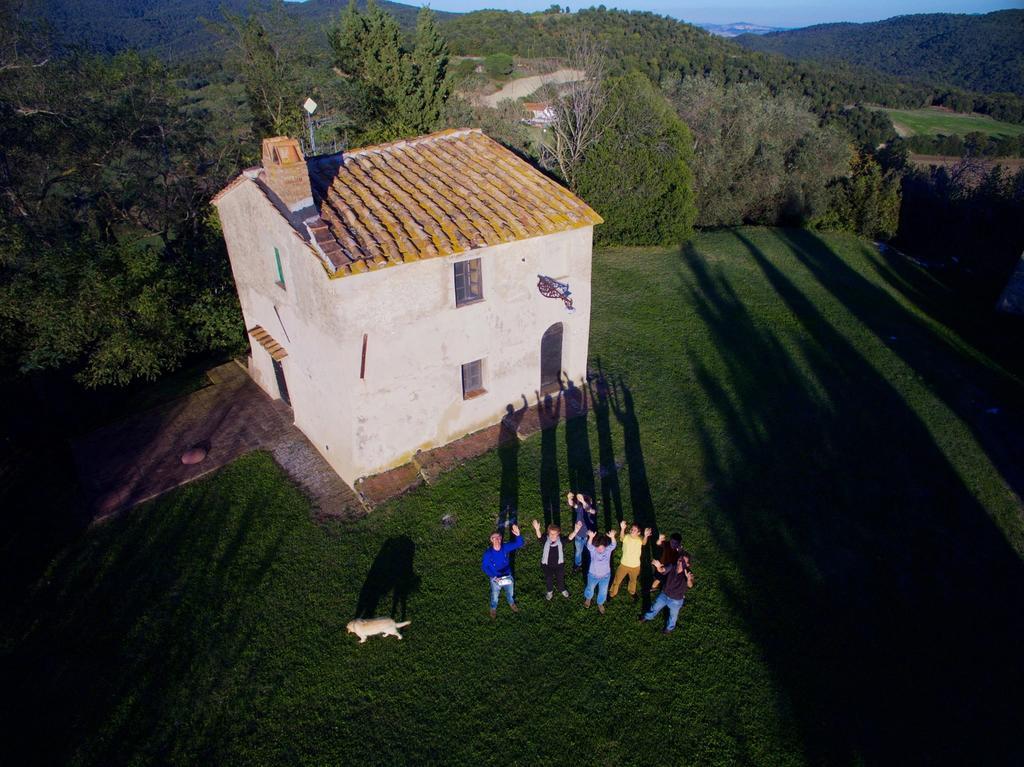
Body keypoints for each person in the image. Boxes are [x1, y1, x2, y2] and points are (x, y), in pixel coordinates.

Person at [639, 556, 694, 633]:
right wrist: (658, 567)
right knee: (654, 607)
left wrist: (688, 580)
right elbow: (662, 570)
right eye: (679, 559)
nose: (680, 562)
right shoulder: (672, 566)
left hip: (676, 600)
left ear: (688, 565)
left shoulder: (688, 573)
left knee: (673, 616)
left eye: (683, 561)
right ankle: (647, 617)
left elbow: (690, 585)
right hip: (664, 595)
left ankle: (669, 628)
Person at [481, 524, 524, 619]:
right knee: (495, 596)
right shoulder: (488, 554)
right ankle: (493, 608)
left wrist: (518, 535)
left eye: (498, 537)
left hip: (507, 576)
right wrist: (493, 576)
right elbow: (484, 567)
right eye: (494, 538)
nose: (496, 540)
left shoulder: (505, 547)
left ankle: (511, 603)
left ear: (501, 539)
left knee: (510, 592)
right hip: (495, 578)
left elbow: (519, 543)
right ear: (491, 540)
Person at [531, 518, 580, 600]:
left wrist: (575, 531)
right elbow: (539, 537)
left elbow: (569, 538)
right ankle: (549, 591)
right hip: (547, 565)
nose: (553, 536)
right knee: (548, 579)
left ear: (558, 534)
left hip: (559, 565)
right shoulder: (546, 540)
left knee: (560, 578)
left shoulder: (561, 541)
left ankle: (562, 589)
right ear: (548, 534)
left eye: (555, 534)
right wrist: (537, 529)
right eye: (551, 534)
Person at [609, 520, 651, 600]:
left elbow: (644, 543)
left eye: (634, 530)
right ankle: (612, 593)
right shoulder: (627, 537)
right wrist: (622, 529)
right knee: (617, 580)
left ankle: (632, 591)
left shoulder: (639, 539)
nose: (632, 530)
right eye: (631, 529)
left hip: (635, 566)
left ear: (638, 533)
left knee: (633, 581)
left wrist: (646, 536)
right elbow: (621, 538)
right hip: (624, 564)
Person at [583, 528, 617, 614]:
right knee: (590, 588)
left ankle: (600, 603)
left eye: (602, 548)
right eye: (598, 548)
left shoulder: (608, 550)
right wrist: (590, 537)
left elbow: (613, 545)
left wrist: (612, 537)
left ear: (605, 546)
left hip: (605, 576)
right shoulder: (593, 550)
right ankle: (588, 598)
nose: (600, 550)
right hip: (592, 575)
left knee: (603, 591)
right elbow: (589, 546)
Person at [567, 492, 598, 572]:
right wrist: (569, 498)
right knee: (578, 552)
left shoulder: (592, 510)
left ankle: (590, 565)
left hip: (589, 537)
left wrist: (583, 501)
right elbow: (572, 504)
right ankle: (578, 565)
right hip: (579, 536)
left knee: (590, 551)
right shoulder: (579, 508)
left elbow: (590, 509)